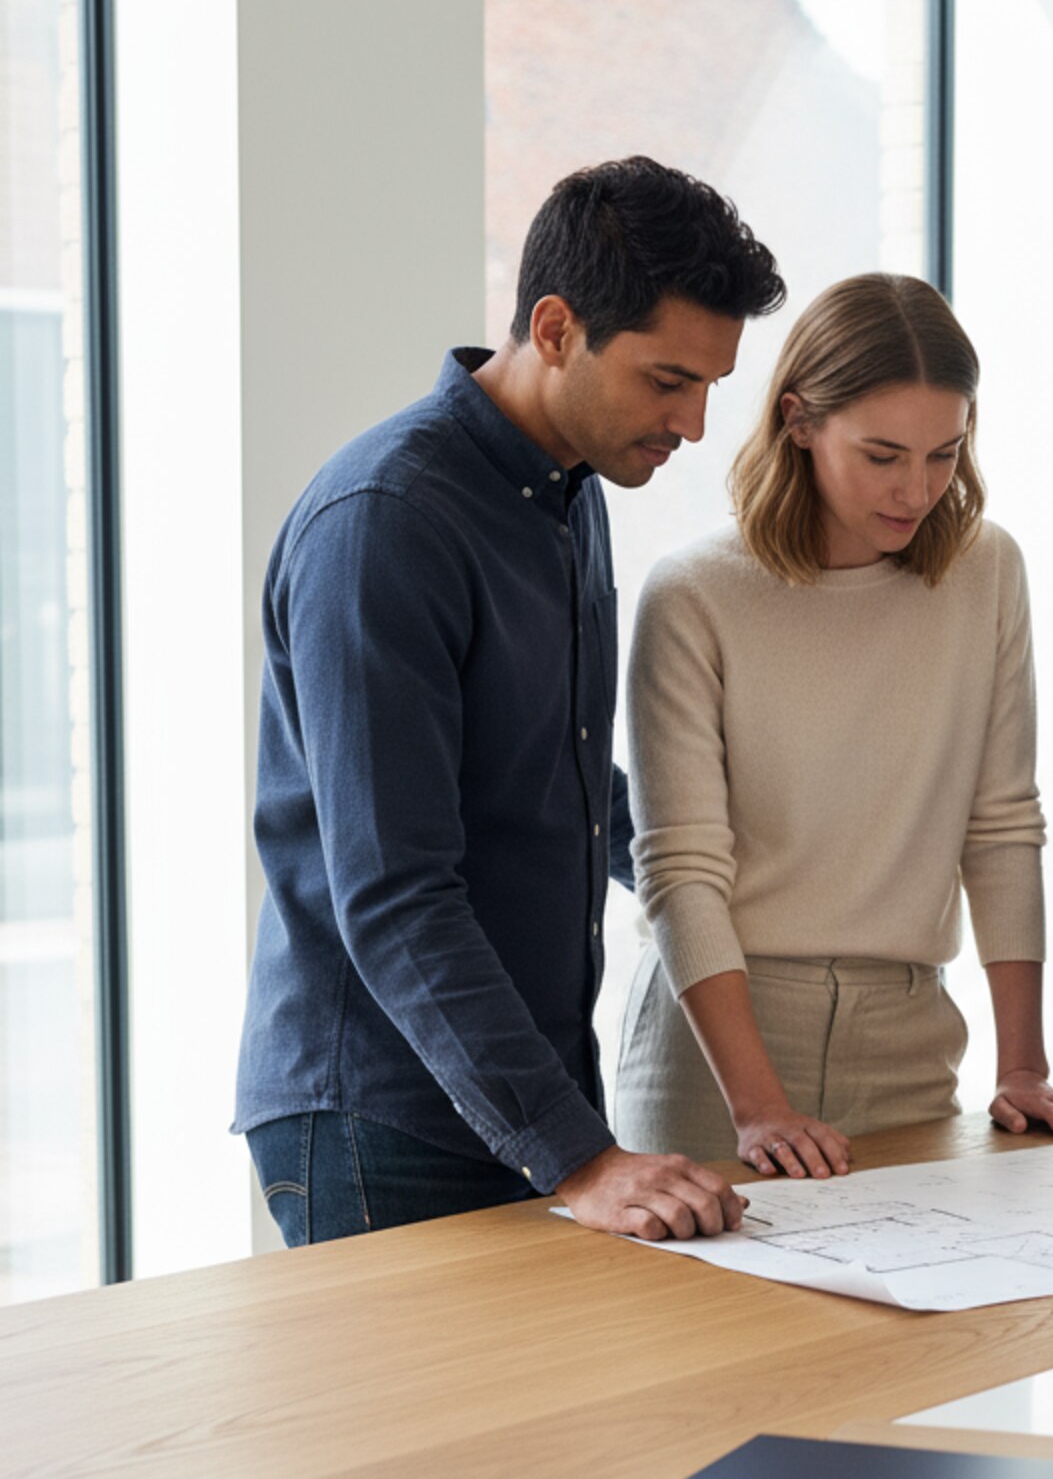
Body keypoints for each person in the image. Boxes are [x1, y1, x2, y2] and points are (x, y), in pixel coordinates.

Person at [235, 157, 787, 1245]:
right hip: (383, 1116)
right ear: (554, 326)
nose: (694, 422)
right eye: (668, 379)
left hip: (518, 1103)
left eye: (712, 385)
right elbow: (394, 891)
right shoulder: (386, 521)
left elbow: (556, 775)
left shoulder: (568, 488)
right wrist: (578, 1155)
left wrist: (721, 873)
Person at [617, 272, 1053, 1178]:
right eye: (883, 455)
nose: (917, 489)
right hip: (714, 1048)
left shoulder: (987, 571)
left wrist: (1024, 1066)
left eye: (944, 454)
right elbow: (679, 870)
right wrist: (759, 1106)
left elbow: (1001, 824)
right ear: (799, 420)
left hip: (908, 1040)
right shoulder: (694, 594)